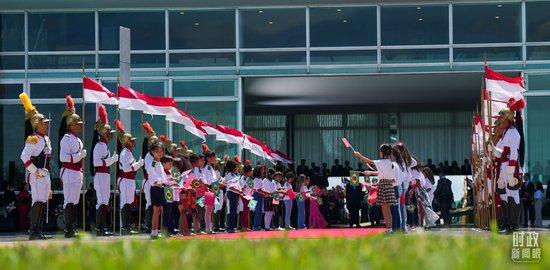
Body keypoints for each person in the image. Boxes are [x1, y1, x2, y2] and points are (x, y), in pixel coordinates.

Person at [19, 93, 52, 240]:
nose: (46, 124)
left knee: (43, 200)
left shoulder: (45, 138)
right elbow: (24, 157)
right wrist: (36, 171)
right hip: (37, 174)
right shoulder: (33, 139)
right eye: (44, 122)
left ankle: (39, 230)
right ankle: (33, 231)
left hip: (45, 174)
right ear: (36, 124)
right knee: (37, 200)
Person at [488, 100, 524, 233]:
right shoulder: (505, 133)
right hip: (503, 167)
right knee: (503, 195)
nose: (499, 120)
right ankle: (506, 223)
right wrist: (492, 148)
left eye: (502, 117)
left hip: (510, 167)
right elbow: (500, 153)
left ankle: (513, 225)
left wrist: (510, 172)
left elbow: (514, 153)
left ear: (507, 119)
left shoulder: (513, 132)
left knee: (512, 194)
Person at [353, 144, 397, 233]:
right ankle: (390, 228)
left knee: (385, 209)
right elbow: (382, 172)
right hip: (389, 184)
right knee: (387, 209)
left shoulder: (382, 161)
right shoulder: (391, 162)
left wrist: (359, 155)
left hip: (384, 185)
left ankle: (389, 229)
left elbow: (369, 161)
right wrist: (370, 173)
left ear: (382, 153)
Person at [59, 96, 85, 238]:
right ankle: (68, 229)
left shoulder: (77, 139)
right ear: (70, 125)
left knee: (75, 200)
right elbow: (63, 157)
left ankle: (73, 227)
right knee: (69, 199)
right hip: (69, 171)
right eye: (78, 124)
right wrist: (79, 156)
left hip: (76, 172)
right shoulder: (67, 138)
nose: (80, 126)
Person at [90, 104, 118, 236]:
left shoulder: (104, 146)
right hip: (100, 175)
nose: (110, 136)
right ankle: (99, 228)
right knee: (102, 201)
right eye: (108, 133)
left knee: (105, 200)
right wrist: (112, 160)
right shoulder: (99, 146)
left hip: (105, 175)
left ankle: (102, 227)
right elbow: (96, 162)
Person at [115, 121, 143, 235]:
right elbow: (127, 169)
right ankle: (125, 227)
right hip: (125, 179)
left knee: (129, 203)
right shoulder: (125, 153)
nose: (134, 142)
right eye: (131, 141)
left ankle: (126, 227)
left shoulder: (128, 152)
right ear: (127, 142)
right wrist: (139, 164)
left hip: (129, 180)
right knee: (125, 203)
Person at [145, 142, 167, 239]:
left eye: (161, 151)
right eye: (157, 151)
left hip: (161, 187)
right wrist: (157, 181)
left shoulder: (158, 162)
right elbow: (150, 171)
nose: (160, 153)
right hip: (156, 187)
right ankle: (154, 232)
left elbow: (162, 174)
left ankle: (156, 231)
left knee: (159, 210)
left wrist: (168, 181)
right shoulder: (154, 161)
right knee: (157, 210)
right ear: (153, 152)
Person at [225, 160, 242, 233]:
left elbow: (237, 185)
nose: (237, 168)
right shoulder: (229, 175)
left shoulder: (235, 175)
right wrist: (238, 191)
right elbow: (231, 187)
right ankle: (230, 227)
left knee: (234, 211)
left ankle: (232, 227)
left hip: (236, 194)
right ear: (233, 168)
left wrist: (239, 191)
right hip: (232, 193)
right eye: (236, 167)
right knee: (232, 211)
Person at [252, 165, 265, 231]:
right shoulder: (257, 179)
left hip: (257, 196)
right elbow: (259, 190)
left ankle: (255, 225)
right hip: (256, 196)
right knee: (257, 212)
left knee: (257, 212)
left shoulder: (259, 179)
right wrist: (266, 193)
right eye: (262, 170)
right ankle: (256, 226)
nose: (263, 171)